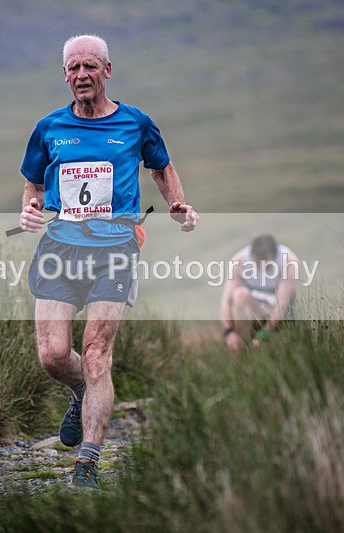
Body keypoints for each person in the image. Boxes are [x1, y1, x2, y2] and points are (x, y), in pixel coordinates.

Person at [17, 34, 198, 488]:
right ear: (64, 75)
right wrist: (30, 209)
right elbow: (34, 185)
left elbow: (161, 167)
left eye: (90, 67)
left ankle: (87, 463)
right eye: (73, 68)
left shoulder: (136, 123)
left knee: (97, 353)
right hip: (60, 246)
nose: (81, 75)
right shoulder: (49, 127)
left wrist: (178, 204)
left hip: (116, 246)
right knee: (54, 354)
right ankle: (80, 390)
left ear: (107, 71)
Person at [220, 234, 298, 351]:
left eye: (267, 264)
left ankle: (268, 343)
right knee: (239, 294)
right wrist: (228, 331)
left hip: (279, 316)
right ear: (252, 255)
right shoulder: (239, 261)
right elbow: (226, 301)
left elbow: (282, 304)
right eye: (258, 262)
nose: (262, 267)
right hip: (253, 312)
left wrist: (263, 335)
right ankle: (242, 347)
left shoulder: (289, 261)